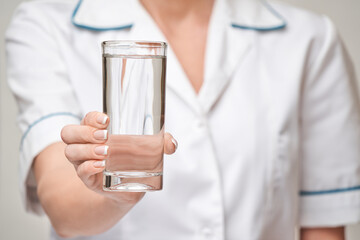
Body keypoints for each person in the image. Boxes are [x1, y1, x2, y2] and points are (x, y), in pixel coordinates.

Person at [6, 0, 360, 239]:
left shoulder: (309, 39)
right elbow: (60, 199)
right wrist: (117, 195)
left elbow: (323, 225)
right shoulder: (45, 23)